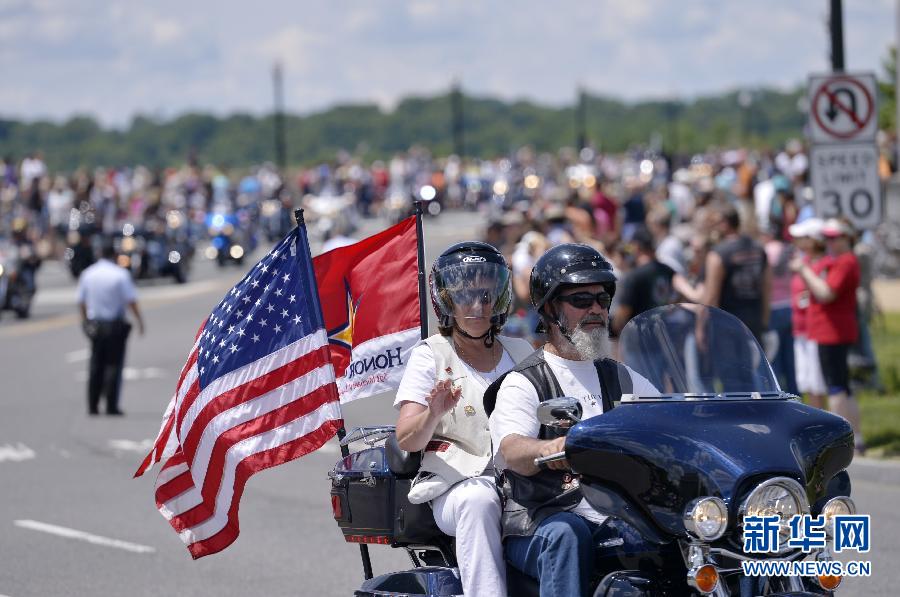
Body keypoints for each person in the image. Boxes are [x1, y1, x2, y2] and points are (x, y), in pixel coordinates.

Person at [486, 243, 659, 597]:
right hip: (541, 519)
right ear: (550, 308)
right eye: (581, 300)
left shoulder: (621, 376)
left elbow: (668, 419)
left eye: (602, 299)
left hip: (615, 513)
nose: (596, 309)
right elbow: (511, 449)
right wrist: (555, 448)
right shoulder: (525, 381)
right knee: (567, 534)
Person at [393, 241, 533, 596]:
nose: (476, 307)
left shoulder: (522, 351)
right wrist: (433, 412)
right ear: (446, 301)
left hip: (524, 483)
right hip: (456, 486)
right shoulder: (430, 355)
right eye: (465, 296)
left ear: (499, 299)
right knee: (479, 499)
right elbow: (407, 438)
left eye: (486, 296)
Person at [790, 218, 864, 454]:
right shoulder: (840, 261)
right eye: (827, 238)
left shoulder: (845, 261)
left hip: (832, 331)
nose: (829, 242)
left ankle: (838, 442)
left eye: (834, 237)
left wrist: (803, 270)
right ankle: (856, 438)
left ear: (846, 238)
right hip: (831, 330)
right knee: (842, 386)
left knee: (836, 387)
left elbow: (826, 293)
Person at [78, 242, 145, 415]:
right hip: (114, 325)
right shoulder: (120, 274)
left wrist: (85, 322)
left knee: (95, 365)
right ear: (114, 255)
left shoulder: (88, 273)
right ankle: (111, 405)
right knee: (113, 366)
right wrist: (140, 321)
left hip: (96, 325)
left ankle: (92, 405)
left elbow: (81, 301)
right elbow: (131, 301)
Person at [703, 203, 771, 342]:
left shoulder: (718, 254)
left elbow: (711, 297)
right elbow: (767, 286)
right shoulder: (758, 248)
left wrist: (702, 328)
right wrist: (765, 320)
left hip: (728, 325)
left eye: (715, 223)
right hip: (754, 320)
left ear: (725, 224)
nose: (712, 227)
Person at [788, 218, 828, 409]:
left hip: (815, 330)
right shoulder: (802, 262)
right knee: (806, 382)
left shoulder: (823, 264)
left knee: (817, 383)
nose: (797, 241)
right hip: (800, 329)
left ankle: (821, 420)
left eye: (802, 237)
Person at [611, 226, 674, 336]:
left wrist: (612, 328)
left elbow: (622, 315)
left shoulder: (634, 276)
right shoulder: (667, 270)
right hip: (663, 334)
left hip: (639, 337)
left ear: (636, 246)